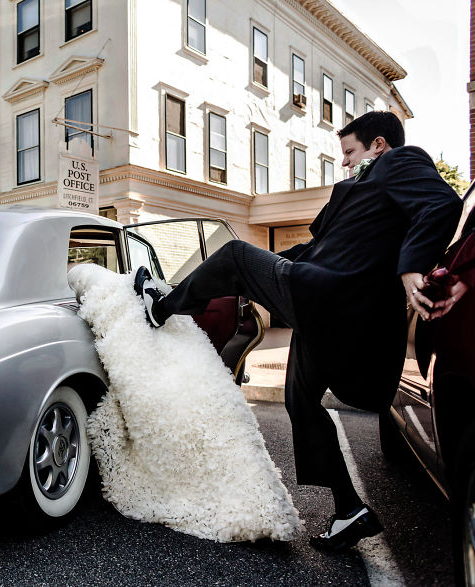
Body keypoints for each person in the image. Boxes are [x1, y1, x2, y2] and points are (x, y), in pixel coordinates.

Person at [134, 111, 464, 551]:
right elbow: (311, 248)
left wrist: (411, 268)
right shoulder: (361, 195)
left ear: (379, 145)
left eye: (349, 152)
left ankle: (160, 308)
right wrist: (267, 269)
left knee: (233, 254)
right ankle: (349, 509)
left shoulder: (398, 163)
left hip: (335, 299)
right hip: (325, 308)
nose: (344, 163)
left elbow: (443, 202)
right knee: (300, 401)